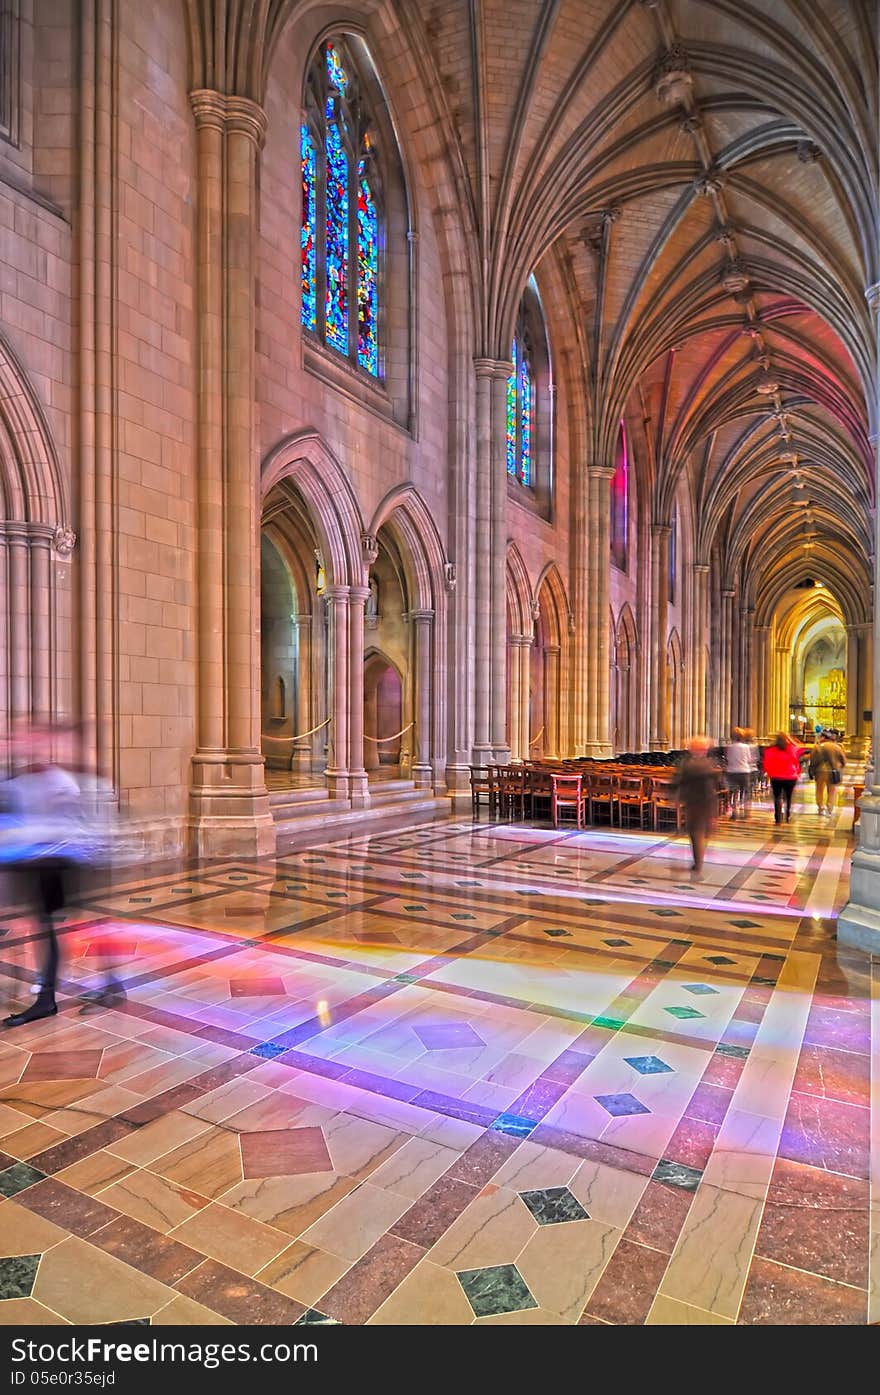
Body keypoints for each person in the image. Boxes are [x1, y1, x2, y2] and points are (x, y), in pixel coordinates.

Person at [0, 723, 82, 1027]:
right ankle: (37, 987)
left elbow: (67, 828)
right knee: (35, 926)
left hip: (53, 865)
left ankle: (46, 997)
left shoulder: (61, 783)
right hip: (29, 864)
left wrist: (29, 839)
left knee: (46, 927)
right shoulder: (19, 782)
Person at [673, 736, 722, 877]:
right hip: (702, 802)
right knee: (698, 833)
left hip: (697, 803)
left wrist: (677, 796)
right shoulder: (709, 764)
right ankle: (698, 859)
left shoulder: (689, 764)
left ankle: (698, 860)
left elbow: (679, 781)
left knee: (696, 833)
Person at [762, 732, 805, 826]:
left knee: (777, 797)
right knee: (788, 797)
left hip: (776, 777)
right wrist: (791, 740)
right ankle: (787, 815)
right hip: (790, 777)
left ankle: (778, 817)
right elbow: (802, 748)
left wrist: (769, 772)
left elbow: (766, 763)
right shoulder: (792, 749)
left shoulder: (770, 750)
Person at [808, 732, 846, 816]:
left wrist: (812, 770)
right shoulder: (837, 747)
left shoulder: (817, 747)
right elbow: (843, 760)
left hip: (819, 771)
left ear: (824, 738)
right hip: (833, 771)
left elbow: (812, 759)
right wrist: (840, 767)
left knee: (819, 790)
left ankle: (820, 807)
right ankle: (830, 807)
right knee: (832, 790)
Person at [725, 727, 758, 819]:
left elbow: (728, 758)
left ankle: (734, 812)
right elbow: (748, 759)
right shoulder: (746, 747)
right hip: (744, 771)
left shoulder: (729, 747)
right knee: (746, 792)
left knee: (733, 793)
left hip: (732, 772)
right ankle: (746, 812)